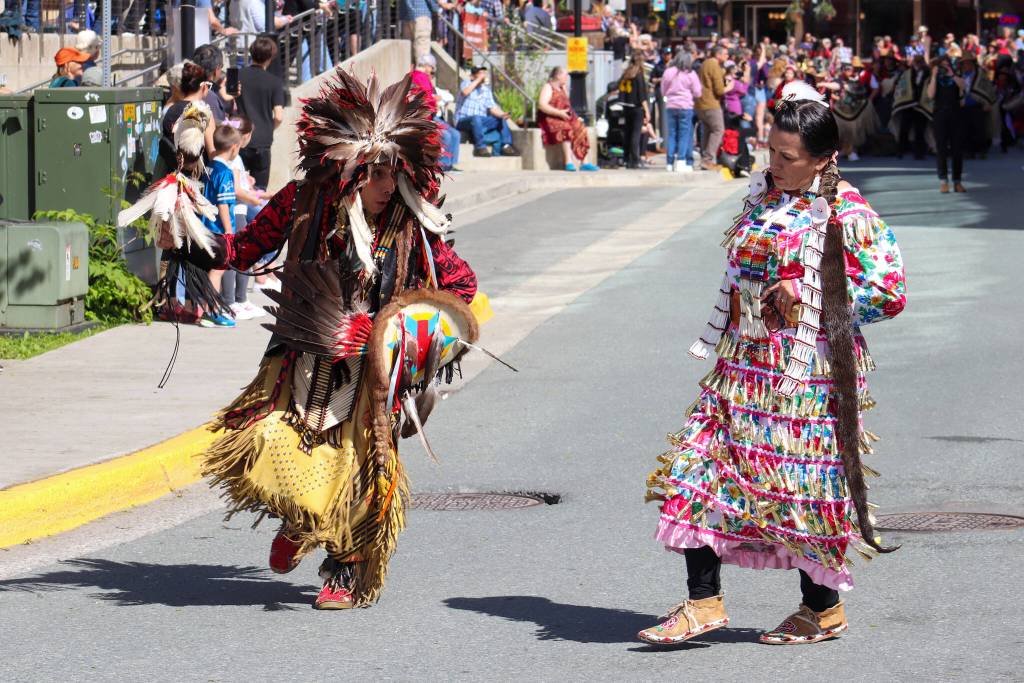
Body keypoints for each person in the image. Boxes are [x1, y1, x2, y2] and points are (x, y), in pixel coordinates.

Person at [161, 70, 482, 609]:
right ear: (348, 168)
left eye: (392, 173)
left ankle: (343, 571)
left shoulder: (410, 222)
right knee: (270, 439)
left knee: (357, 467)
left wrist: (396, 332)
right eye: (374, 173)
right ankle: (299, 517)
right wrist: (188, 234)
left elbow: (461, 290)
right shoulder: (305, 202)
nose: (384, 185)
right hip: (302, 355)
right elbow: (243, 250)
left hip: (370, 371)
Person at [638, 80, 906, 647]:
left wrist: (811, 294)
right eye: (771, 151)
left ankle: (821, 610)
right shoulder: (763, 197)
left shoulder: (847, 213)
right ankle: (703, 604)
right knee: (698, 469)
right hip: (743, 363)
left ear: (822, 159)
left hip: (805, 374)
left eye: (787, 158)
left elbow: (888, 291)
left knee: (797, 490)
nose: (774, 164)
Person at [222, 116, 269, 321]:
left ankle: (239, 300)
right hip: (237, 211)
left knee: (242, 257)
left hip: (239, 209)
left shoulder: (236, 158)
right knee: (239, 257)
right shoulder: (233, 159)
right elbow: (236, 190)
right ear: (246, 136)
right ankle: (233, 301)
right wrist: (254, 199)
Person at [201, 123, 243, 328]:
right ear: (234, 147)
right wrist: (229, 230)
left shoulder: (208, 167)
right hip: (219, 230)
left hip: (204, 227)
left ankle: (205, 310)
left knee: (210, 269)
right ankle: (212, 311)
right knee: (217, 270)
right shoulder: (225, 173)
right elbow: (223, 204)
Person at [237, 35, 286, 191]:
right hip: (262, 142)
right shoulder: (275, 82)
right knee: (259, 191)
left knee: (238, 189)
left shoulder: (239, 75)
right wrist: (267, 127)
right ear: (270, 58)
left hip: (240, 138)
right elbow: (279, 116)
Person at [159, 61, 217, 173]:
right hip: (196, 179)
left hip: (172, 175)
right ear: (203, 87)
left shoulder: (170, 110)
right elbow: (212, 154)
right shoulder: (203, 112)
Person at [537, 66, 598, 172]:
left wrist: (575, 117)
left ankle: (584, 162)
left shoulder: (563, 88)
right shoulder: (548, 87)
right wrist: (559, 113)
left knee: (580, 128)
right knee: (566, 128)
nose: (567, 78)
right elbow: (542, 105)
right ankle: (568, 162)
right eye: (565, 75)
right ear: (558, 75)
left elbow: (567, 106)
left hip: (563, 116)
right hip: (550, 118)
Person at [411, 53, 461, 172]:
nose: (432, 72)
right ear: (427, 66)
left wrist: (435, 101)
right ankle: (442, 165)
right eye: (432, 69)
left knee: (455, 134)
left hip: (432, 115)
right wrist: (435, 100)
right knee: (447, 136)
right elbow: (424, 97)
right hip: (425, 117)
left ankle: (450, 164)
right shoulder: (419, 77)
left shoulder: (422, 77)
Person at [455, 66, 520, 158]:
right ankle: (480, 147)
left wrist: (502, 115)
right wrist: (477, 80)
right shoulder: (466, 83)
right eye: (480, 73)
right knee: (476, 117)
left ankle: (506, 145)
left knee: (500, 119)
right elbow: (465, 92)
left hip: (481, 121)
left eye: (483, 73)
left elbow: (492, 108)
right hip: (463, 121)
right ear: (473, 76)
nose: (483, 75)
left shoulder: (486, 90)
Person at [928, 54, 967, 193]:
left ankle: (957, 181)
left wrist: (952, 75)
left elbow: (963, 86)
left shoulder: (956, 77)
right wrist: (934, 75)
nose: (945, 68)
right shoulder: (935, 79)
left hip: (956, 114)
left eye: (947, 65)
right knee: (941, 149)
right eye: (942, 65)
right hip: (940, 115)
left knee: (957, 149)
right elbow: (930, 95)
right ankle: (943, 180)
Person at [660, 50, 701, 172]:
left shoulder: (668, 72)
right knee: (684, 134)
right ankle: (681, 160)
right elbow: (698, 92)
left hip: (671, 105)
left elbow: (663, 90)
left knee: (672, 134)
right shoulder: (691, 74)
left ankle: (669, 162)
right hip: (686, 106)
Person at [695, 44, 730, 171]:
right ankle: (708, 159)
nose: (727, 56)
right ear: (718, 54)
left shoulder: (705, 63)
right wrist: (729, 87)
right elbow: (719, 90)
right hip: (711, 103)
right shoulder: (714, 65)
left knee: (708, 131)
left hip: (700, 103)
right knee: (718, 130)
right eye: (725, 54)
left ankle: (705, 159)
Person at [892, 54, 930, 159]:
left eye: (919, 62)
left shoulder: (928, 73)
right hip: (908, 105)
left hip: (922, 106)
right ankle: (900, 151)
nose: (917, 64)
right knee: (904, 129)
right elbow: (901, 85)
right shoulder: (907, 73)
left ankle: (919, 153)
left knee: (920, 131)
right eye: (916, 62)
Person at [617, 51, 650, 170]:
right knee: (636, 134)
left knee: (628, 133)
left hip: (626, 106)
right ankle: (635, 160)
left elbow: (617, 86)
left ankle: (626, 159)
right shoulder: (639, 75)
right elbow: (642, 96)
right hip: (637, 108)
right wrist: (647, 111)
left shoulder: (626, 73)